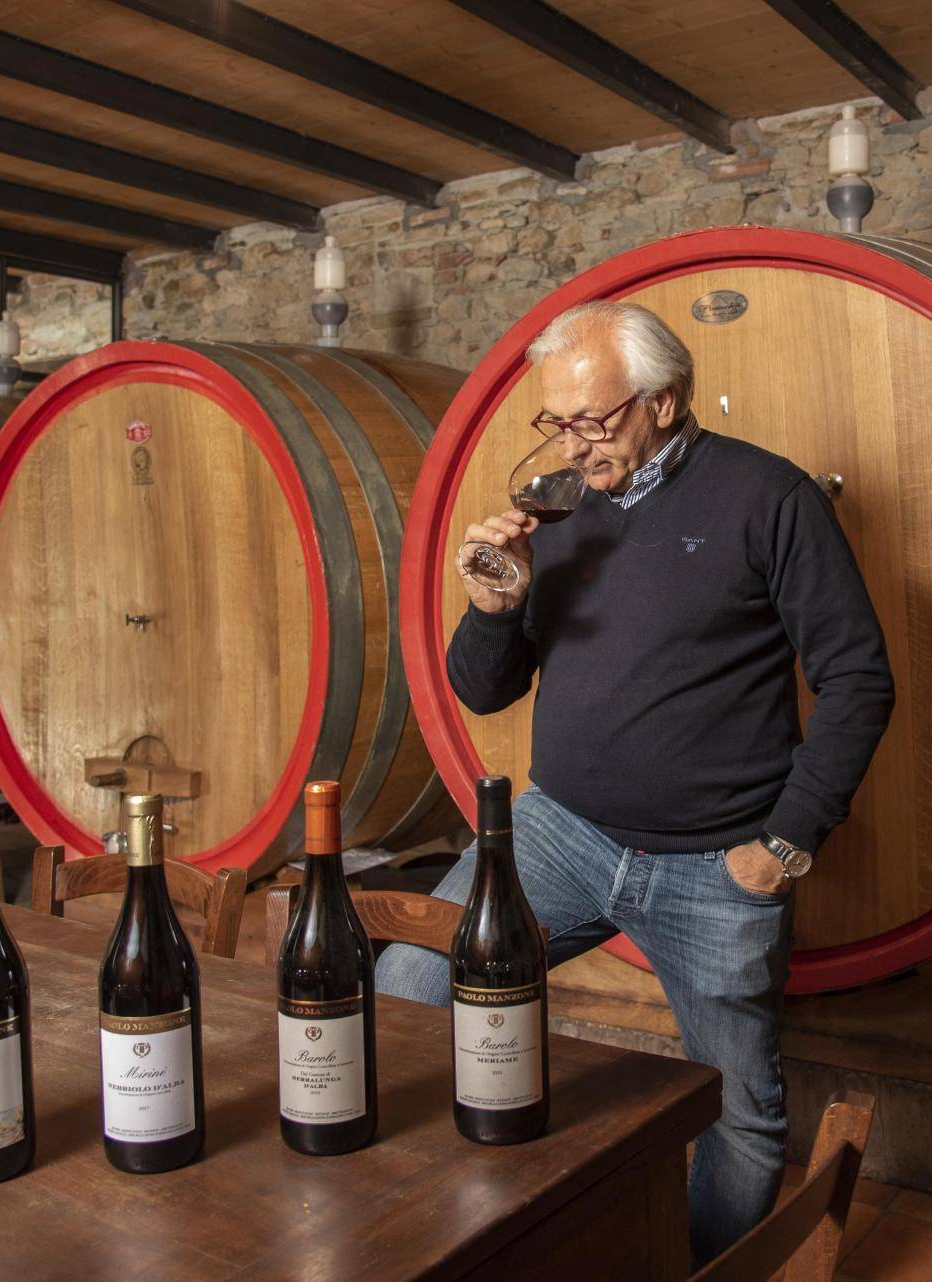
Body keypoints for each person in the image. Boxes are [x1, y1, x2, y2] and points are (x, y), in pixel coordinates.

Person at [376, 300, 893, 1265]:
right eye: (555, 421)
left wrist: (787, 841)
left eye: (591, 420)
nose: (572, 444)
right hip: (563, 834)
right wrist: (493, 607)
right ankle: (451, 1234)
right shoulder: (562, 503)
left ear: (664, 400)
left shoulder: (768, 499)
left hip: (715, 864)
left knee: (738, 1111)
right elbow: (485, 691)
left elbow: (860, 677)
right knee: (408, 983)